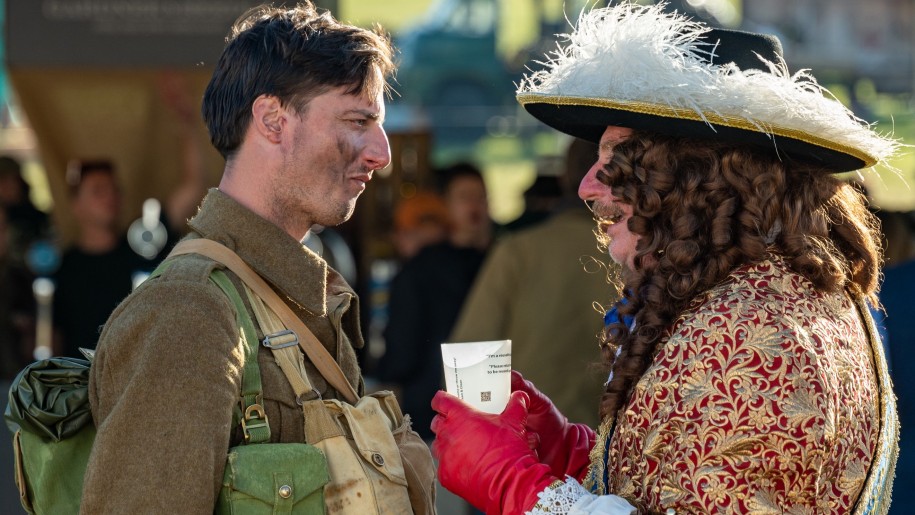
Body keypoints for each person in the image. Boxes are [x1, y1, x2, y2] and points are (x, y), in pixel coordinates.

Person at [429, 3, 900, 514]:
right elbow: (697, 477)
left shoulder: (749, 334)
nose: (588, 187)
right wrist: (572, 451)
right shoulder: (770, 299)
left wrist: (519, 489)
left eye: (615, 160)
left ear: (695, 178)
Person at [81, 3, 432, 513]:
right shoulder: (187, 313)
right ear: (272, 120)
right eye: (358, 120)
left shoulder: (299, 293)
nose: (382, 152)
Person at [449, 138, 609, 428]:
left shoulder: (519, 251)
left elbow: (472, 358)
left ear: (564, 177)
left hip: (528, 449)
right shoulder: (641, 259)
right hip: (610, 449)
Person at [378, 162, 493, 441]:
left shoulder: (503, 262)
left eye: (480, 197)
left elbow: (400, 358)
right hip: (440, 414)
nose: (474, 206)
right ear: (444, 207)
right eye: (465, 197)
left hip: (453, 411)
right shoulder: (421, 270)